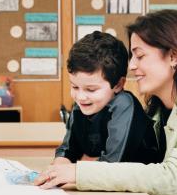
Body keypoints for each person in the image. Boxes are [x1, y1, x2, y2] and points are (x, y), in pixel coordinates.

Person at [35, 9, 177, 195]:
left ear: (174, 56)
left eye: (140, 56)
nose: (131, 65)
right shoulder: (155, 111)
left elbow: (174, 179)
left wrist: (78, 173)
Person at [54, 31, 163, 165]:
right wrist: (58, 166)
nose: (80, 97)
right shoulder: (81, 107)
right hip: (103, 180)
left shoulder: (123, 104)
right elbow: (67, 150)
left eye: (91, 89)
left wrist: (81, 166)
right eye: (75, 87)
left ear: (118, 85)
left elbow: (113, 163)